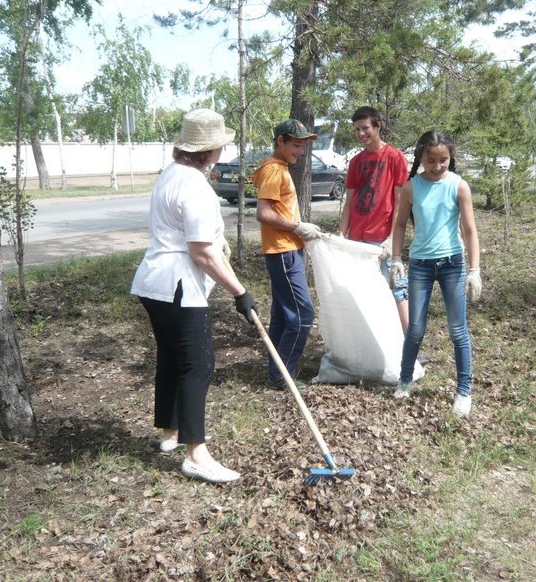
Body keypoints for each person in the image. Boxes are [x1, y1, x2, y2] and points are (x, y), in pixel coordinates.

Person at [131, 108, 258, 484]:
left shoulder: (172, 174)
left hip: (153, 283)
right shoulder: (196, 186)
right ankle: (196, 454)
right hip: (177, 286)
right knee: (198, 363)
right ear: (212, 149)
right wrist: (240, 292)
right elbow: (201, 252)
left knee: (172, 357)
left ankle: (171, 432)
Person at [390, 130, 482, 417]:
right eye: (432, 160)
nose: (438, 165)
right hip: (420, 265)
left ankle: (464, 391)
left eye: (444, 159)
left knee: (458, 331)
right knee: (415, 328)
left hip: (453, 264)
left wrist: (474, 269)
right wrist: (396, 259)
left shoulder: (459, 186)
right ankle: (405, 380)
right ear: (421, 157)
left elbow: (469, 230)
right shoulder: (411, 187)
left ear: (450, 157)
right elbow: (400, 225)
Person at [253, 118, 325, 390]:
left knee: (284, 315)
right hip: (282, 252)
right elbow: (263, 213)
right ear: (280, 141)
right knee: (302, 315)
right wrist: (297, 226)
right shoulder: (274, 171)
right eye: (296, 145)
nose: (301, 151)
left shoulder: (279, 168)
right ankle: (283, 375)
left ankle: (276, 372)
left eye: (303, 146)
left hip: (287, 250)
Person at [339, 106, 410, 332]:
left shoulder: (395, 157)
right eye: (357, 130)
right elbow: (349, 201)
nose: (361, 134)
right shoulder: (356, 162)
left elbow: (401, 202)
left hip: (382, 240)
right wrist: (342, 234)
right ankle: (374, 342)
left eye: (365, 128)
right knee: (364, 292)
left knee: (397, 289)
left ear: (378, 126)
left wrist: (392, 239)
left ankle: (411, 346)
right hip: (357, 239)